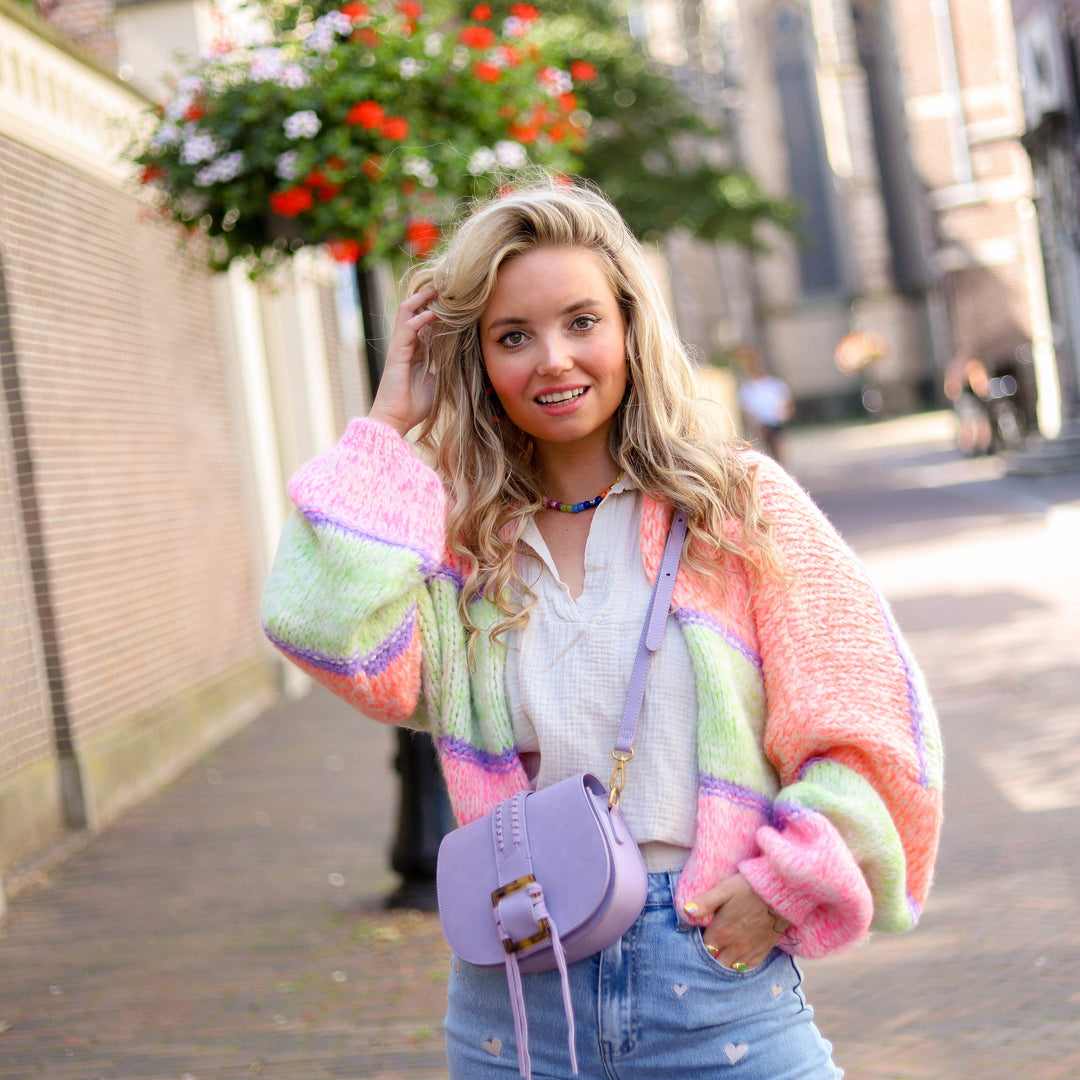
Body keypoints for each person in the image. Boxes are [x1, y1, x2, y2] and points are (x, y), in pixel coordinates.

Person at [261, 178, 943, 1079]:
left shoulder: (735, 507)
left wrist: (785, 884)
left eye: (581, 322)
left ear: (628, 326)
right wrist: (391, 425)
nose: (553, 360)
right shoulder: (459, 545)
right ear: (480, 360)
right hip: (518, 1006)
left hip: (712, 977)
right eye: (514, 336)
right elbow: (325, 630)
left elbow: (871, 719)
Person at [735, 345, 794, 462]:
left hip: (775, 421)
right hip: (760, 422)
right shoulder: (747, 388)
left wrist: (783, 415)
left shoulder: (774, 384)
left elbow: (786, 403)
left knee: (776, 448)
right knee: (766, 450)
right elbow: (746, 409)